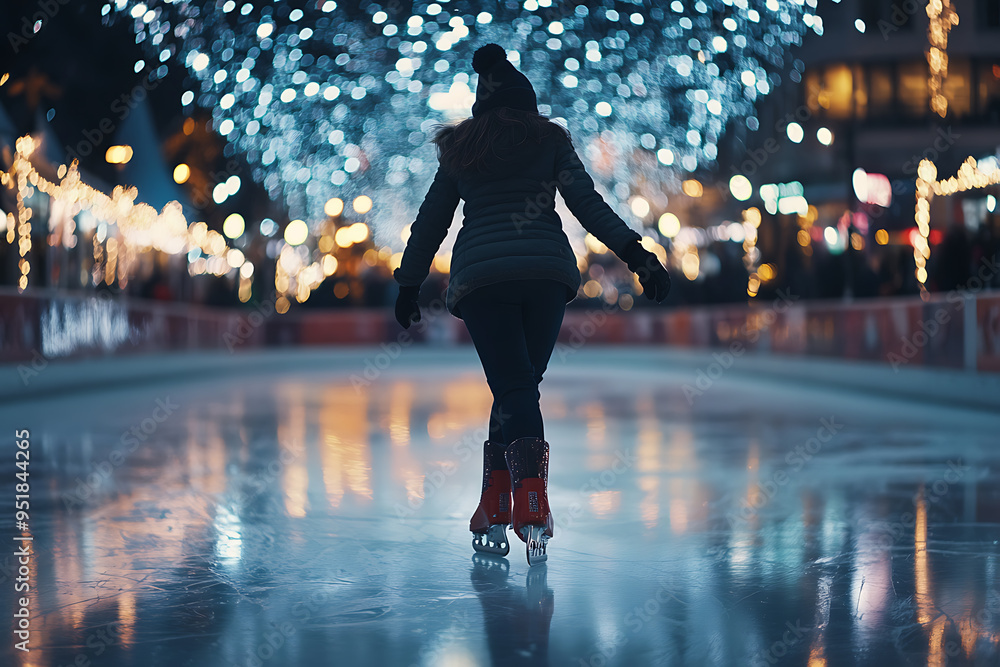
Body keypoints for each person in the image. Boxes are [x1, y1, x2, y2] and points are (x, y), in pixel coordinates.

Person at [392, 43, 671, 563]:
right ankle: (504, 500)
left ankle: (522, 500)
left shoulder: (462, 151)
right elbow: (588, 205)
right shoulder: (549, 142)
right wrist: (638, 255)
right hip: (545, 277)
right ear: (529, 104)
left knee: (513, 388)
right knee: (519, 388)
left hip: (483, 281)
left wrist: (409, 284)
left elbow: (432, 218)